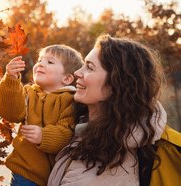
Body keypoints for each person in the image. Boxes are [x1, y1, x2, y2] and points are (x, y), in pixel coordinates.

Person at [48, 34, 167, 186]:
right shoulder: (91, 133)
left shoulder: (112, 164)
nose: (78, 72)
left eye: (90, 67)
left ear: (115, 85)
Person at [0, 44, 83, 186]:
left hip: (58, 174)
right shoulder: (28, 93)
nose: (41, 64)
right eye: (39, 60)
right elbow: (11, 114)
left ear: (67, 79)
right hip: (25, 172)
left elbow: (67, 133)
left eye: (49, 62)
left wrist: (43, 136)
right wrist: (11, 79)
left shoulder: (70, 100)